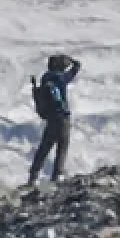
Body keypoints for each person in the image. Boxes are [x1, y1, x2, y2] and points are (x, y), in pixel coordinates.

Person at [27, 54, 80, 186]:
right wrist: (73, 62)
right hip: (62, 118)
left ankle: (34, 175)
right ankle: (57, 175)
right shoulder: (61, 78)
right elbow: (75, 69)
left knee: (45, 146)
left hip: (51, 119)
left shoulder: (45, 78)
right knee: (62, 146)